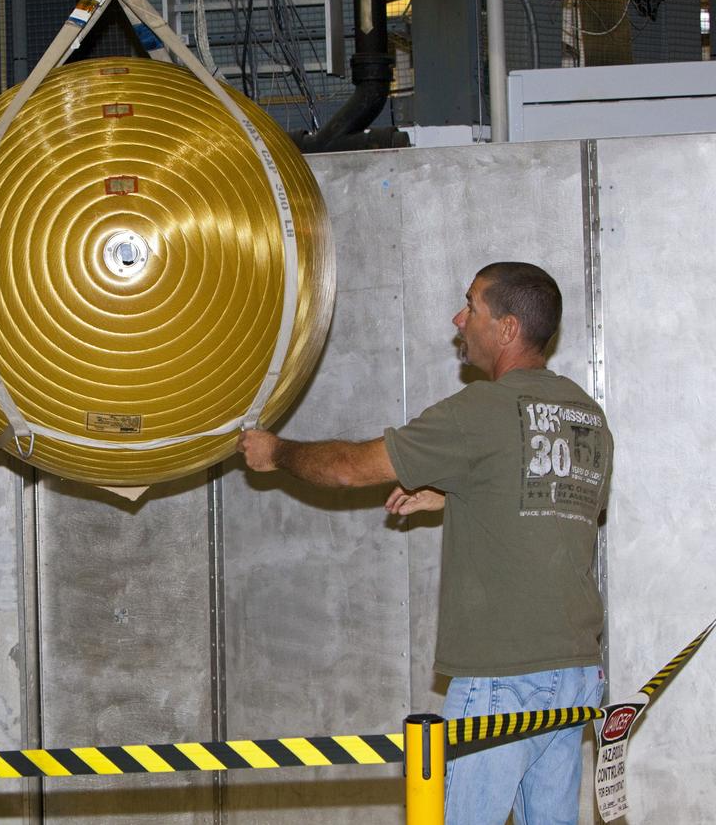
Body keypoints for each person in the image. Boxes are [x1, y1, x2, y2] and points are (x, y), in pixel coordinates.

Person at [238, 262, 612, 825]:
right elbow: (556, 507)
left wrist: (277, 453)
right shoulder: (588, 416)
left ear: (507, 328)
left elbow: (349, 469)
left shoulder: (481, 412)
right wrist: (460, 491)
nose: (459, 319)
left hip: (501, 676)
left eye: (472, 305)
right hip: (576, 671)